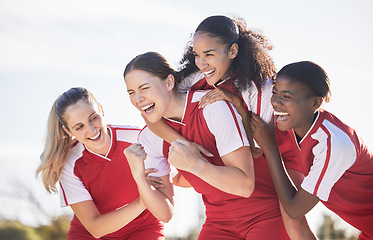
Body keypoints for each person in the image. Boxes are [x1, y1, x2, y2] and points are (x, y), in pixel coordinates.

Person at [143, 15, 316, 239]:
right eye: (197, 55)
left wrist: (234, 104)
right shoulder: (195, 78)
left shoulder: (260, 87)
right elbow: (152, 112)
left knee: (294, 221)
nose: (201, 63)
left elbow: (257, 149)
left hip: (280, 155)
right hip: (242, 165)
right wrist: (186, 145)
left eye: (209, 54)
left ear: (233, 51)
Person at [124, 51, 301, 239]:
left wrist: (195, 164)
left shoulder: (212, 106)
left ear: (169, 82)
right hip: (218, 222)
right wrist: (139, 178)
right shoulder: (150, 137)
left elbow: (245, 185)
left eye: (144, 88)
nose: (138, 99)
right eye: (131, 92)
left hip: (266, 212)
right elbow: (165, 214)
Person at [250, 61, 373, 240]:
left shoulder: (333, 145)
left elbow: (294, 209)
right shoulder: (297, 123)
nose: (275, 102)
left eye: (287, 96)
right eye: (275, 93)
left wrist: (270, 148)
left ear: (315, 102)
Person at [36, 87, 174, 240]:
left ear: (101, 109)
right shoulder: (69, 162)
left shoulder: (139, 138)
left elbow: (173, 190)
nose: (92, 129)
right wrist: (144, 200)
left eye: (93, 117)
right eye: (79, 127)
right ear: (68, 131)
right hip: (90, 235)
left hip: (145, 228)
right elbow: (95, 228)